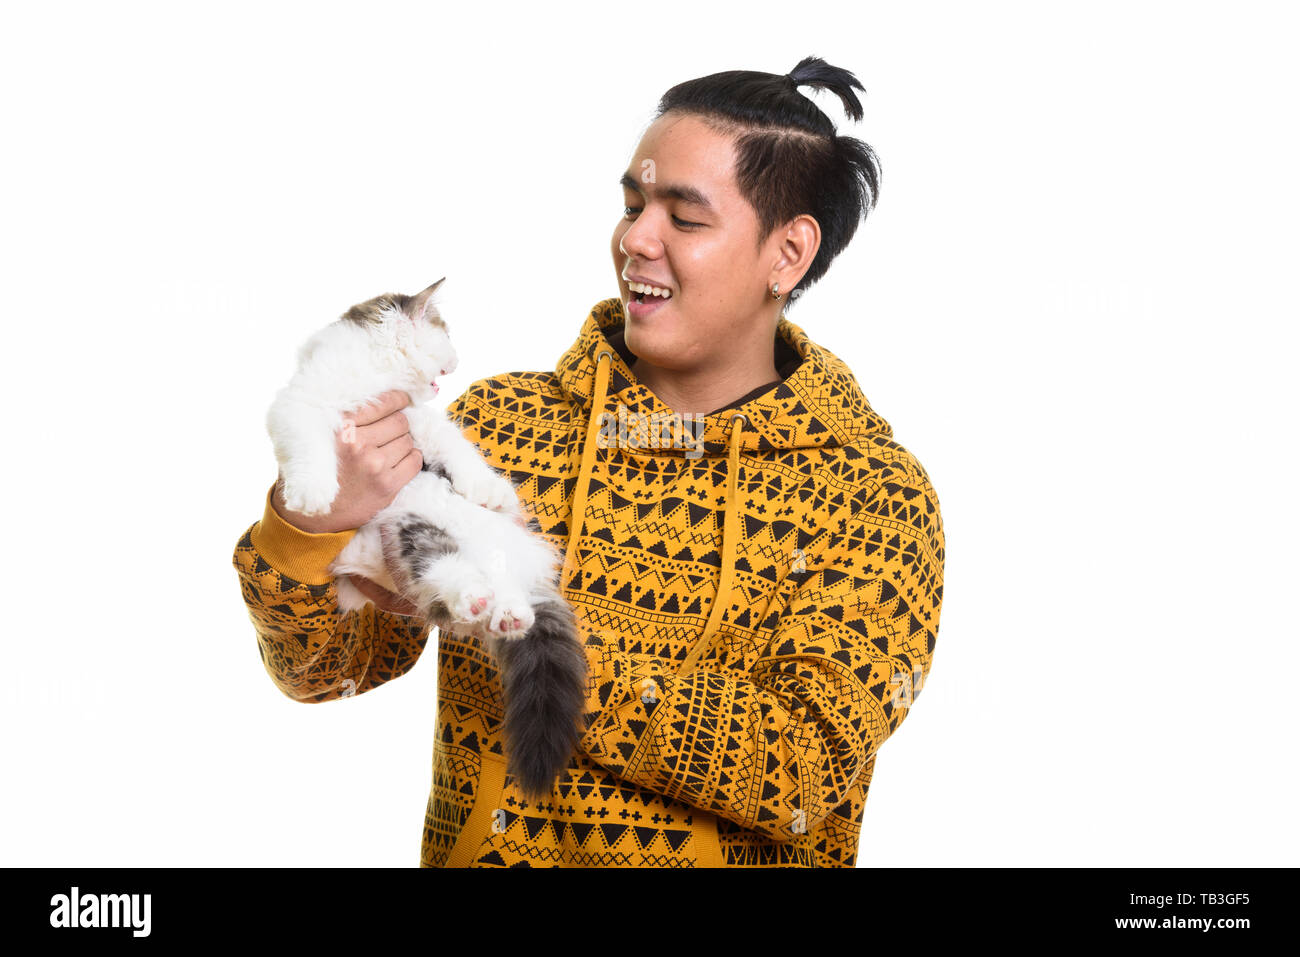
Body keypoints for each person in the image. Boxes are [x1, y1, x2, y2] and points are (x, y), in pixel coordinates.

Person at [232, 55, 946, 868]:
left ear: (787, 254)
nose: (634, 238)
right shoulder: (498, 426)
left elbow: (797, 775)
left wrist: (525, 632)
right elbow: (324, 670)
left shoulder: (874, 494)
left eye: (684, 217)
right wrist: (307, 528)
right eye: (634, 203)